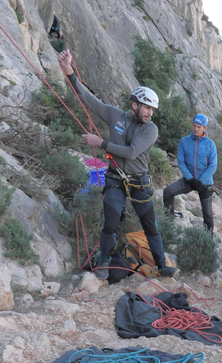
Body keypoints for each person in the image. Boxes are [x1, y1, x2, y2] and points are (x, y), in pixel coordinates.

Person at [57, 50, 179, 280]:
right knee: (110, 222)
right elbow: (88, 99)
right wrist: (68, 70)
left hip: (139, 182)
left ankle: (162, 265)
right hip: (115, 178)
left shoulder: (150, 129)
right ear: (135, 104)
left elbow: (132, 153)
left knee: (150, 226)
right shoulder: (115, 116)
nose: (150, 113)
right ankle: (103, 260)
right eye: (147, 108)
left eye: (152, 110)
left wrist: (100, 142)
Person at [163, 113, 218, 234]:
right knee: (168, 191)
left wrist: (200, 181)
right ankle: (168, 222)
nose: (196, 129)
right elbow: (181, 162)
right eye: (194, 126)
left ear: (204, 128)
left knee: (208, 213)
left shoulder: (210, 144)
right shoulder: (184, 141)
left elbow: (213, 165)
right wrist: (191, 179)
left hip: (205, 183)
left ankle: (208, 237)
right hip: (188, 180)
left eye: (199, 127)